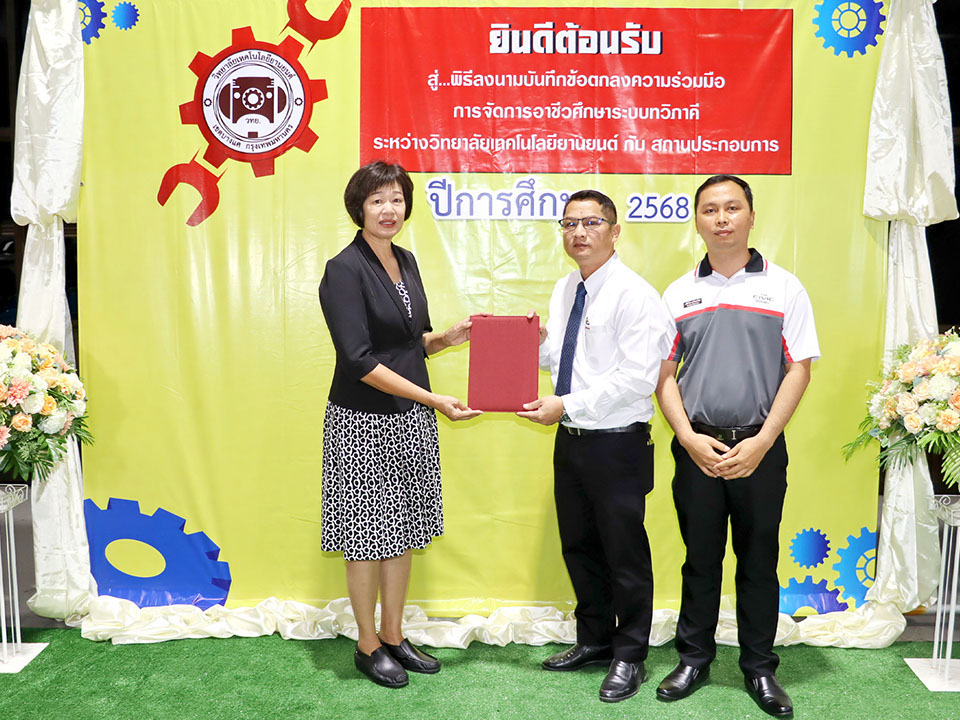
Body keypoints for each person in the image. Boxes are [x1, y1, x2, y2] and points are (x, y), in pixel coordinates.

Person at [655, 175, 819, 718]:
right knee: (700, 560)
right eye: (710, 209)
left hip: (760, 448)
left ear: (751, 216)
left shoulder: (785, 287)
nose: (721, 218)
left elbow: (799, 369)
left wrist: (763, 441)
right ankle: (693, 660)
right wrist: (687, 437)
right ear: (697, 221)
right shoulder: (678, 293)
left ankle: (759, 667)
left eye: (732, 208)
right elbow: (664, 375)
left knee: (757, 561)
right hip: (696, 446)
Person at [318, 160, 481, 689]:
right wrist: (432, 398)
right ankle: (367, 644)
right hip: (362, 423)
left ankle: (393, 634)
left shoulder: (405, 260)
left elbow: (412, 342)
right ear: (359, 208)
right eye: (377, 200)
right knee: (367, 538)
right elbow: (360, 360)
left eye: (396, 199)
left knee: (403, 531)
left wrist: (448, 338)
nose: (389, 209)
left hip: (410, 417)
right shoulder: (343, 269)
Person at [517, 190, 670, 703]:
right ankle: (595, 640)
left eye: (591, 222)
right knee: (579, 545)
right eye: (569, 224)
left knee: (624, 553)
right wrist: (527, 342)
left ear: (614, 230)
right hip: (572, 439)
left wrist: (566, 404)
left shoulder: (635, 295)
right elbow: (565, 359)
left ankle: (631, 654)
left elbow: (637, 379)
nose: (579, 233)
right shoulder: (567, 288)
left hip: (618, 444)